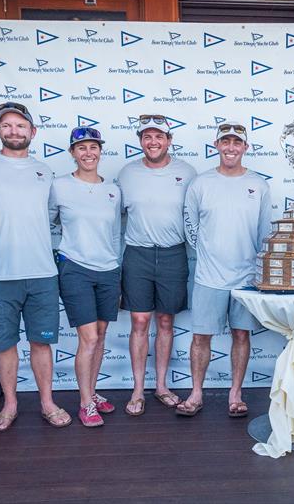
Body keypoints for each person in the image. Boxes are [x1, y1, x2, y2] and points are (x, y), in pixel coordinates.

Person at [0, 102, 71, 431]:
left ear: (33, 131)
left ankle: (47, 402)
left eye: (20, 125)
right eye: (7, 125)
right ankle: (10, 404)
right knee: (4, 344)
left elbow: (54, 220)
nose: (14, 131)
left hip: (42, 272)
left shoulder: (45, 171)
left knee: (41, 343)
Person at [176, 121, 272, 417]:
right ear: (216, 146)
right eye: (225, 142)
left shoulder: (259, 185)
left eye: (237, 143)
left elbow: (264, 232)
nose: (231, 147)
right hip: (208, 277)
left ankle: (235, 395)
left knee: (241, 336)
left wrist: (257, 272)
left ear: (245, 148)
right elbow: (190, 226)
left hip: (245, 279)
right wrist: (207, 253)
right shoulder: (201, 184)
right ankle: (195, 394)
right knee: (200, 338)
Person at [116, 114, 197, 416]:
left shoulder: (187, 172)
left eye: (159, 136)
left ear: (169, 140)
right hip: (136, 254)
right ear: (140, 141)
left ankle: (161, 386)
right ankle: (138, 390)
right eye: (147, 137)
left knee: (166, 322)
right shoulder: (126, 173)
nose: (153, 142)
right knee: (139, 322)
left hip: (174, 254)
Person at [49, 127, 120, 427]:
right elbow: (47, 223)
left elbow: (115, 232)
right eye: (81, 148)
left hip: (108, 269)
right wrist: (60, 256)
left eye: (93, 147)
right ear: (72, 153)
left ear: (100, 151)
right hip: (75, 268)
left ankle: (92, 392)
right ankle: (84, 403)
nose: (88, 153)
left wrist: (116, 263)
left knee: (101, 335)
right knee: (88, 338)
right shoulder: (59, 186)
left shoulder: (113, 190)